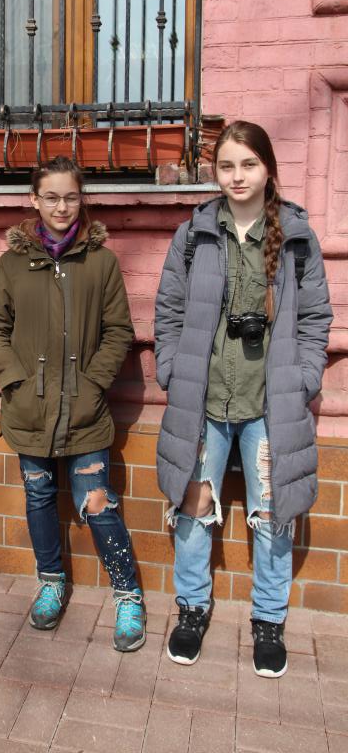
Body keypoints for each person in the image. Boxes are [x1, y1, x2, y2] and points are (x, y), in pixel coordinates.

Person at [154, 121, 332, 678]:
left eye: (248, 165)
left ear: (268, 169)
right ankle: (191, 608)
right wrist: (171, 368)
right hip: (203, 400)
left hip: (269, 404)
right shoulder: (195, 235)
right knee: (193, 505)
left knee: (275, 512)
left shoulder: (296, 237)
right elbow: (169, 309)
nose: (237, 176)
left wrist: (303, 380)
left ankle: (269, 619)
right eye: (226, 166)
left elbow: (315, 319)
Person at [0, 156, 146, 652]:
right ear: (34, 199)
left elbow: (118, 332)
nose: (61, 207)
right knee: (38, 499)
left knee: (97, 502)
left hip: (85, 410)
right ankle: (50, 583)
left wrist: (93, 384)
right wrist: (15, 382)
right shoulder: (13, 264)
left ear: (81, 199)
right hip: (29, 410)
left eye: (71, 197)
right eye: (51, 197)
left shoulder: (100, 262)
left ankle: (128, 594)